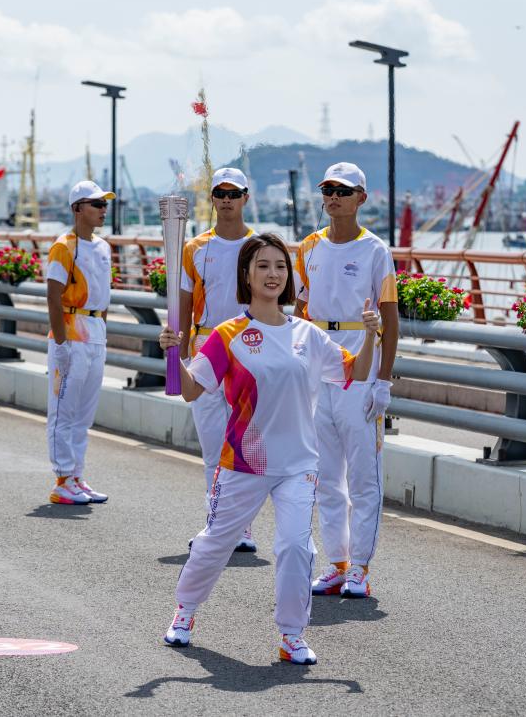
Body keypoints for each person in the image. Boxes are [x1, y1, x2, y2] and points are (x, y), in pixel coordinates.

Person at [158, 233, 379, 664]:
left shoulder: (308, 335)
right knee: (216, 542)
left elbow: (354, 371)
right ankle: (184, 610)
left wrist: (370, 335)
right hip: (243, 463)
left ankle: (291, 634)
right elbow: (189, 391)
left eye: (280, 265)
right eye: (263, 266)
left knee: (297, 547)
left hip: (298, 464)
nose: (273, 274)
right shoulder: (228, 335)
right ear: (246, 275)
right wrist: (172, 355)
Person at [294, 163, 399, 599]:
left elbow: (390, 322)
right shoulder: (309, 248)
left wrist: (384, 381)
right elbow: (296, 311)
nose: (333, 196)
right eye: (327, 189)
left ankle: (360, 566)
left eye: (343, 190)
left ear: (361, 198)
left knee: (363, 477)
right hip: (319, 371)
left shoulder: (375, 251)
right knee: (324, 476)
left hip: (360, 367)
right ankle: (336, 563)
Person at [180, 167, 257, 552]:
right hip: (208, 347)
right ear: (212, 199)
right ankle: (216, 521)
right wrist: (177, 356)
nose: (226, 200)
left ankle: (241, 526)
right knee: (213, 445)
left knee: (243, 443)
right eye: (219, 194)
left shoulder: (260, 247)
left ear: (245, 197)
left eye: (233, 193)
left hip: (250, 347)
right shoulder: (195, 248)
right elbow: (181, 305)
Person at [44, 180, 114, 505]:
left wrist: (103, 330)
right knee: (64, 411)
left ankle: (76, 476)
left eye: (104, 204)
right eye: (96, 204)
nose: (103, 210)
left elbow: (105, 297)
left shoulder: (103, 247)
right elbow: (53, 299)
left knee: (84, 414)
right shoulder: (63, 247)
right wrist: (60, 343)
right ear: (77, 209)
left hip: (95, 329)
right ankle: (62, 479)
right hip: (71, 330)